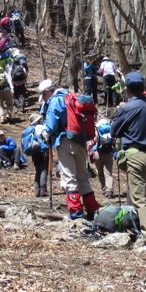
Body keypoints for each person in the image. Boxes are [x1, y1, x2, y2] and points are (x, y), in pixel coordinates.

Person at [110, 72, 146, 247]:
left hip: (136, 157)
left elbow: (114, 132)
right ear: (143, 89)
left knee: (141, 200)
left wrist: (120, 111)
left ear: (127, 90)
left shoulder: (126, 109)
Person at [43, 83, 100, 220]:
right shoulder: (74, 97)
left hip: (64, 140)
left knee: (69, 176)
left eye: (44, 95)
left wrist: (46, 133)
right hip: (80, 140)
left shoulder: (56, 100)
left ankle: (75, 211)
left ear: (48, 91)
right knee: (82, 176)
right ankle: (93, 210)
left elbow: (51, 125)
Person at [21, 113, 49, 197]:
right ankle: (43, 190)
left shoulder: (29, 129)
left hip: (34, 152)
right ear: (38, 120)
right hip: (42, 151)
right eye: (40, 119)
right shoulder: (40, 127)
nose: (42, 120)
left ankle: (37, 190)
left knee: (38, 171)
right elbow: (46, 136)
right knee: (44, 170)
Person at [90, 118, 115, 198]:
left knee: (100, 173)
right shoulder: (111, 130)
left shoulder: (97, 130)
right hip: (108, 153)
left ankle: (104, 188)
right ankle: (109, 190)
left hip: (98, 153)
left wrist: (90, 150)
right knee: (108, 173)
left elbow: (93, 141)